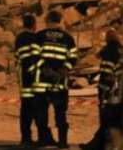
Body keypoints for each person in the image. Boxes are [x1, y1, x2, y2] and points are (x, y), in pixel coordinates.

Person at [34, 9, 78, 149]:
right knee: (60, 114)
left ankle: (42, 140)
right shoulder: (68, 38)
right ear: (59, 21)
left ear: (47, 21)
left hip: (42, 82)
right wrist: (63, 70)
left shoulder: (39, 36)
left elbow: (34, 56)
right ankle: (62, 142)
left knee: (42, 113)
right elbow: (73, 58)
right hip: (60, 83)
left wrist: (45, 69)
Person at [81, 30, 123, 150]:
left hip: (107, 89)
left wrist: (104, 90)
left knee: (105, 117)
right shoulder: (122, 49)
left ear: (107, 39)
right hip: (120, 88)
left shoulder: (108, 50)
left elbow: (107, 72)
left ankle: (98, 144)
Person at [15, 14, 40, 146]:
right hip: (35, 81)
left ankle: (25, 138)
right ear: (34, 25)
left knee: (25, 112)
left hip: (24, 81)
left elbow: (18, 59)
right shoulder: (36, 38)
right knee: (37, 111)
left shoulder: (19, 39)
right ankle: (41, 137)